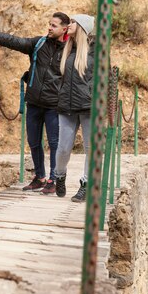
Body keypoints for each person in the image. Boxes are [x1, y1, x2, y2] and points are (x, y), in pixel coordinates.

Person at [0, 12, 70, 194]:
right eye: (49, 24)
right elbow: (13, 41)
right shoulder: (38, 44)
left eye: (54, 25)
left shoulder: (69, 50)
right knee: (33, 142)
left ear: (64, 29)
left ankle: (54, 179)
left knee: (54, 143)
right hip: (33, 102)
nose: (49, 27)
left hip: (54, 105)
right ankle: (40, 177)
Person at [53, 14, 96, 202]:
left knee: (90, 149)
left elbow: (100, 81)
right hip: (66, 107)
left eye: (72, 22)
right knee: (63, 149)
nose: (69, 25)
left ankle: (85, 185)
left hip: (88, 108)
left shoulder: (95, 53)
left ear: (82, 27)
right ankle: (59, 175)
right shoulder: (66, 49)